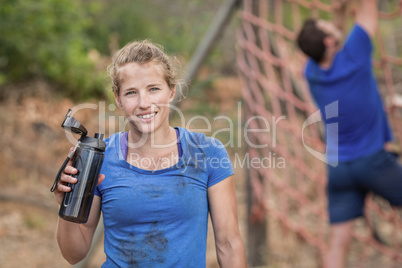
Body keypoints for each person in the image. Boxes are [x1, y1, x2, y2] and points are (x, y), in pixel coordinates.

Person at [53, 40, 247, 267]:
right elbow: (74, 254)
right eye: (131, 93)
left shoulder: (208, 153)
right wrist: (65, 205)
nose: (144, 103)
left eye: (154, 89)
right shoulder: (100, 158)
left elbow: (229, 244)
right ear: (118, 98)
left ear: (172, 91)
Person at [297, 1, 402, 268]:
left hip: (339, 169)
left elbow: (334, 31)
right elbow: (368, 7)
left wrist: (340, 9)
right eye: (327, 26)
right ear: (331, 41)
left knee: (338, 243)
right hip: (374, 162)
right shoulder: (355, 52)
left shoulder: (311, 73)